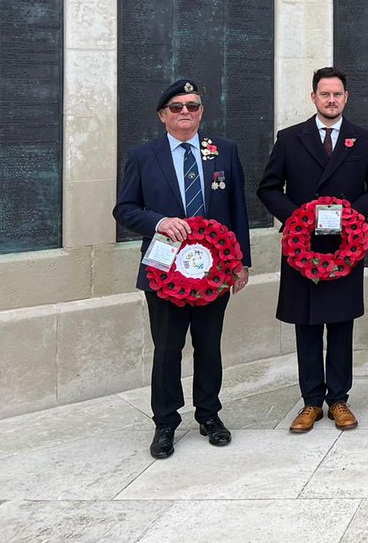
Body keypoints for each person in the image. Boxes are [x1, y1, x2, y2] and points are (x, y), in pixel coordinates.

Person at [114, 78, 251, 459]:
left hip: (214, 272)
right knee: (168, 348)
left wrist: (241, 263)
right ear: (163, 116)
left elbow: (238, 209)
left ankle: (209, 415)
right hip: (163, 272)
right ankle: (166, 422)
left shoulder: (223, 151)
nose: (185, 112)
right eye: (176, 107)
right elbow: (124, 209)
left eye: (192, 105)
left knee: (209, 346)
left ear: (201, 112)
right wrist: (158, 222)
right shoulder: (144, 156)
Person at [258, 67, 368, 433]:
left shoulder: (362, 139)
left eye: (337, 94)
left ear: (346, 98)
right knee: (307, 325)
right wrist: (300, 216)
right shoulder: (289, 139)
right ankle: (311, 402)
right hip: (303, 249)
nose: (331, 100)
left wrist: (351, 216)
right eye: (324, 94)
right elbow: (268, 188)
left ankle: (339, 399)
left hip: (343, 248)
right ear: (313, 97)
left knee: (341, 324)